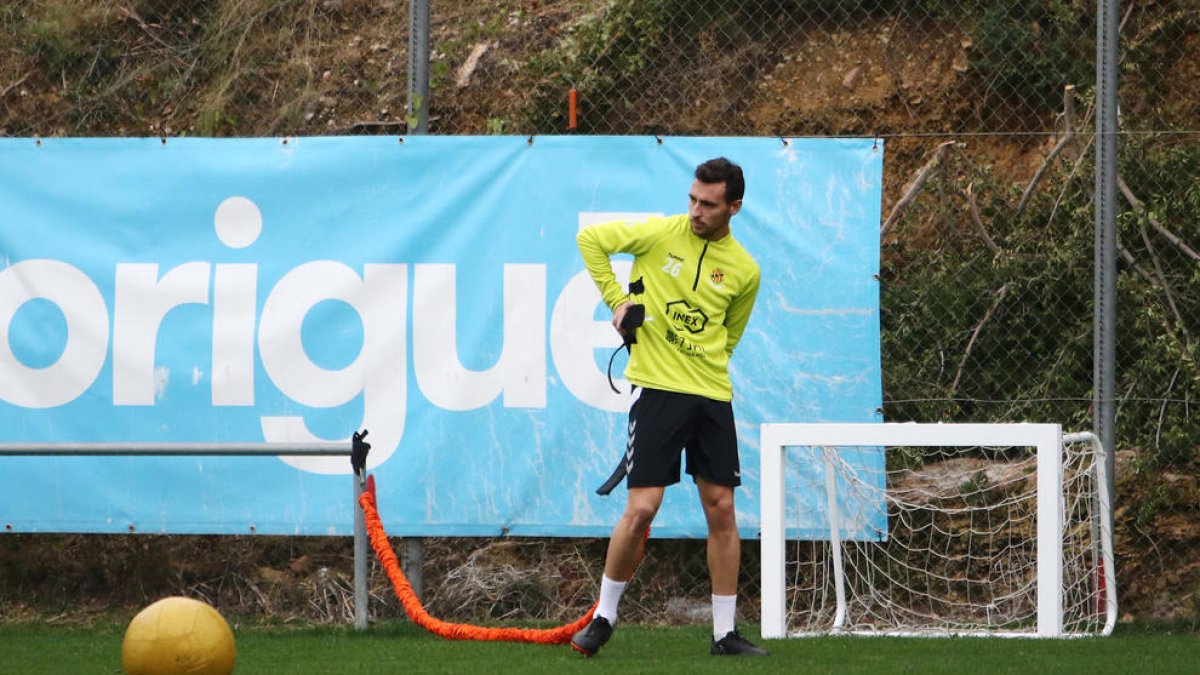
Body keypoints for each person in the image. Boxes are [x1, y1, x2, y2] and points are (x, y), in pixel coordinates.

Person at [571, 157, 765, 657]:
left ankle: (724, 634)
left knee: (722, 509)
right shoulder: (660, 234)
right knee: (642, 509)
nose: (697, 211)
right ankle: (604, 617)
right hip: (656, 390)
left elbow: (730, 337)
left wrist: (701, 366)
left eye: (709, 203)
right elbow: (590, 242)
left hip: (712, 395)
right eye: (693, 199)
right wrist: (617, 300)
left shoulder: (745, 270)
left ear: (734, 208)